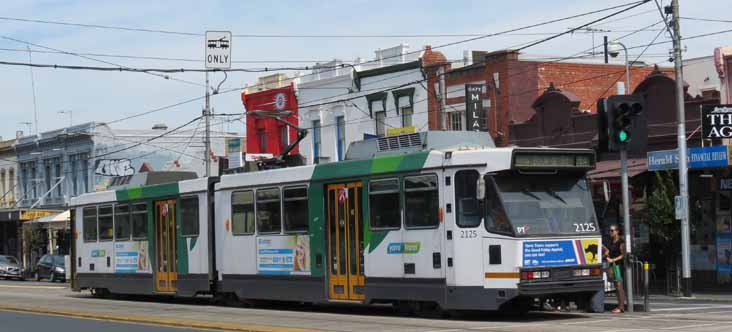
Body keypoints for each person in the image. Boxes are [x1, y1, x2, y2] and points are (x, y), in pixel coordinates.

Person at [603, 224, 626, 313]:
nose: (611, 232)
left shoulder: (621, 242)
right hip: (613, 265)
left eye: (612, 230)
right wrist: (606, 254)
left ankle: (621, 307)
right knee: (616, 286)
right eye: (610, 230)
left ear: (617, 231)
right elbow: (609, 251)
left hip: (618, 266)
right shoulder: (611, 241)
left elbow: (623, 255)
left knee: (619, 286)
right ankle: (620, 306)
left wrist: (613, 260)